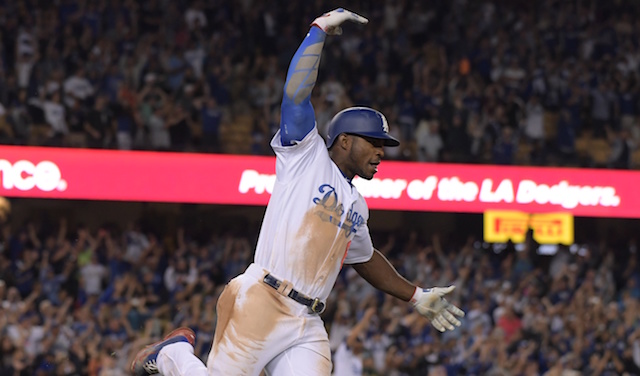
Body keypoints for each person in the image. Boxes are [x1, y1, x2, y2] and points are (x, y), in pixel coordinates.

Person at [130, 8, 464, 376]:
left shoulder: (356, 204)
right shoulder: (307, 155)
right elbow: (295, 94)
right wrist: (317, 33)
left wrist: (415, 295)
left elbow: (366, 259)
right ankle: (172, 354)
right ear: (345, 141)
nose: (381, 151)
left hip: (307, 321)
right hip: (263, 299)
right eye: (374, 142)